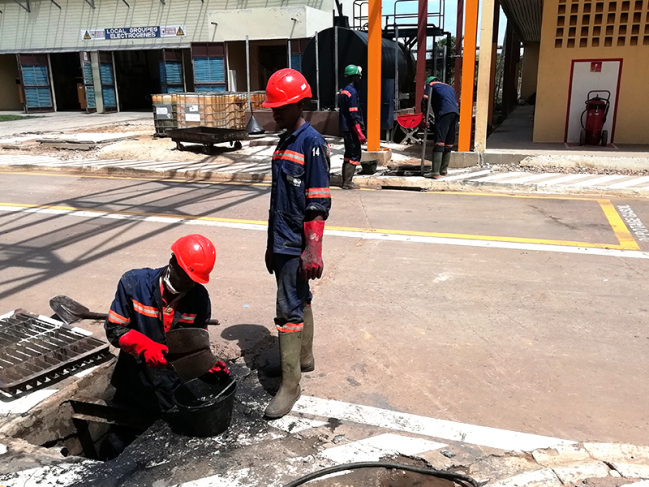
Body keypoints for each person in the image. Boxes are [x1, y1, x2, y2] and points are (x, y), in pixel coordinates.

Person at [101, 234, 228, 458]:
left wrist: (207, 366)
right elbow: (114, 329)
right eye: (186, 277)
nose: (190, 284)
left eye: (194, 280)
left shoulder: (199, 298)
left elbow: (195, 346)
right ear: (172, 263)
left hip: (170, 388)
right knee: (118, 440)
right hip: (134, 382)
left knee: (162, 448)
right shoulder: (134, 284)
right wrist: (142, 346)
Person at [262, 68, 332, 419]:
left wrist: (312, 249)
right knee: (300, 297)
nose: (273, 111)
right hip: (282, 239)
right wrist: (270, 245)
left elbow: (317, 202)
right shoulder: (285, 139)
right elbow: (279, 200)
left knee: (287, 308)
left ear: (299, 104)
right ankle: (303, 359)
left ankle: (291, 386)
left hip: (295, 241)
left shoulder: (311, 143)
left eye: (280, 106)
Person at [421, 76, 460, 179]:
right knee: (448, 142)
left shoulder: (431, 85)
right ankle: (443, 170)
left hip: (444, 113)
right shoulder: (450, 88)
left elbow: (425, 100)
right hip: (455, 113)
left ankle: (435, 172)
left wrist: (424, 118)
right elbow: (455, 103)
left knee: (439, 141)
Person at [338, 64, 366, 190]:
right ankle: (347, 182)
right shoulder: (353, 93)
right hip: (351, 128)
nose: (359, 79)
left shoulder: (344, 91)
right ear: (355, 77)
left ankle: (345, 181)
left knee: (348, 154)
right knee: (355, 154)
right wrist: (360, 133)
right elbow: (353, 116)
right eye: (358, 76)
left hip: (345, 128)